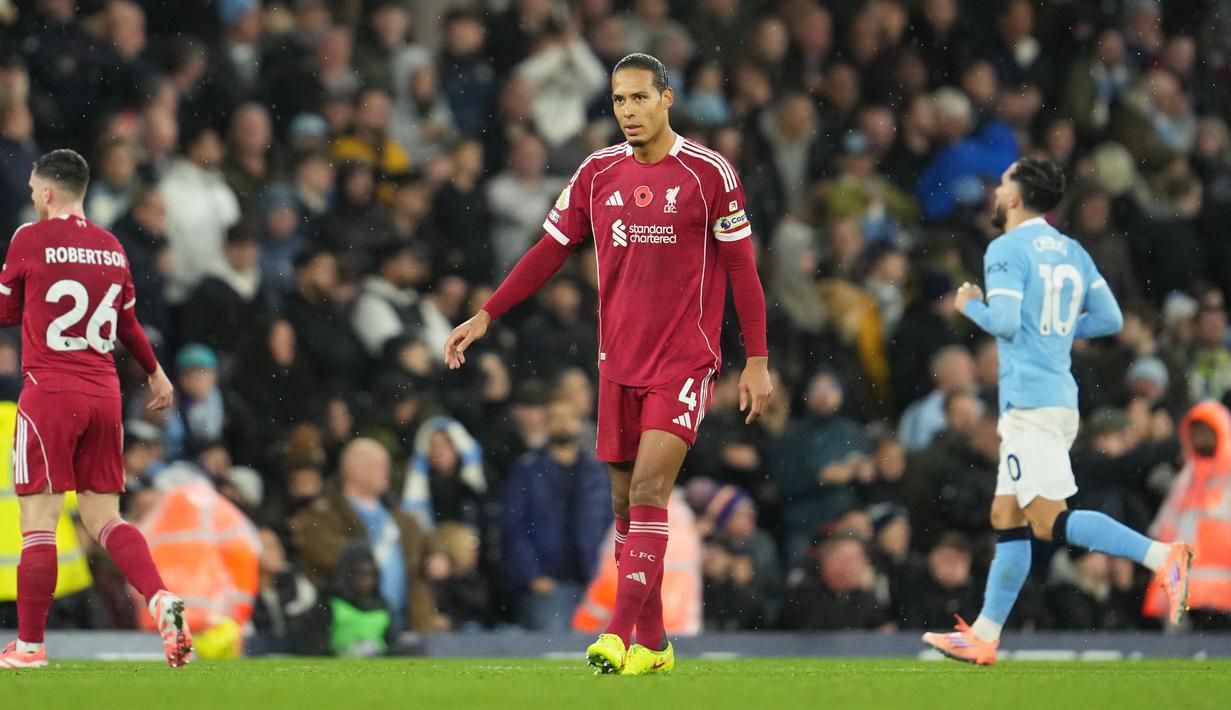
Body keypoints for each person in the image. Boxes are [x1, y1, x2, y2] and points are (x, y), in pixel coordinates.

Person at [444, 53, 771, 676]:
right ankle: (655, 644)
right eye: (619, 100)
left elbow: (742, 270)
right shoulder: (597, 172)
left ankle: (616, 635)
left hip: (684, 360)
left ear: (667, 99)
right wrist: (488, 314)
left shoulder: (709, 173)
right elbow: (549, 250)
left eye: (640, 98)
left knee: (650, 492)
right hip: (617, 363)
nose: (628, 111)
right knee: (624, 510)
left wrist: (755, 359)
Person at [922, 157, 1192, 666]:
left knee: (1048, 521)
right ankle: (984, 634)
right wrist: (1057, 332)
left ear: (1017, 197)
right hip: (1052, 398)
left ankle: (1164, 557)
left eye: (1003, 183)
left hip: (1032, 404)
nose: (997, 191)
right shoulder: (1073, 251)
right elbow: (1110, 319)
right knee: (1008, 516)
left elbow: (1002, 321)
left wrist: (969, 306)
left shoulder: (1004, 249)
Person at [0, 149, 190, 669]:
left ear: (44, 192)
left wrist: (23, 309)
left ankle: (31, 647)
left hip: (49, 393)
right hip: (103, 394)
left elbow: (4, 310)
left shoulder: (28, 238)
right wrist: (155, 372)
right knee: (106, 517)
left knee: (38, 521)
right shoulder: (112, 247)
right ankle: (159, 597)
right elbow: (129, 326)